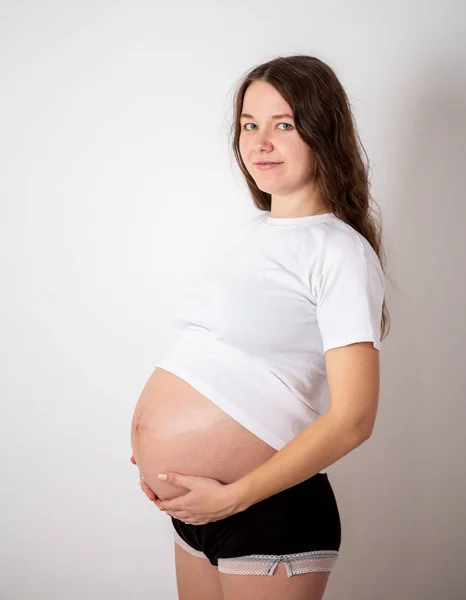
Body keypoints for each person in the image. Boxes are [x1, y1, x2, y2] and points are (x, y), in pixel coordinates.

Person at [131, 54, 390, 600]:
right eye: (250, 125)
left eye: (284, 125)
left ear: (323, 131)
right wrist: (159, 457)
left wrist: (233, 495)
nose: (260, 142)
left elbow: (354, 418)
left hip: (266, 511)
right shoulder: (250, 235)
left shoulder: (340, 251)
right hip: (195, 512)